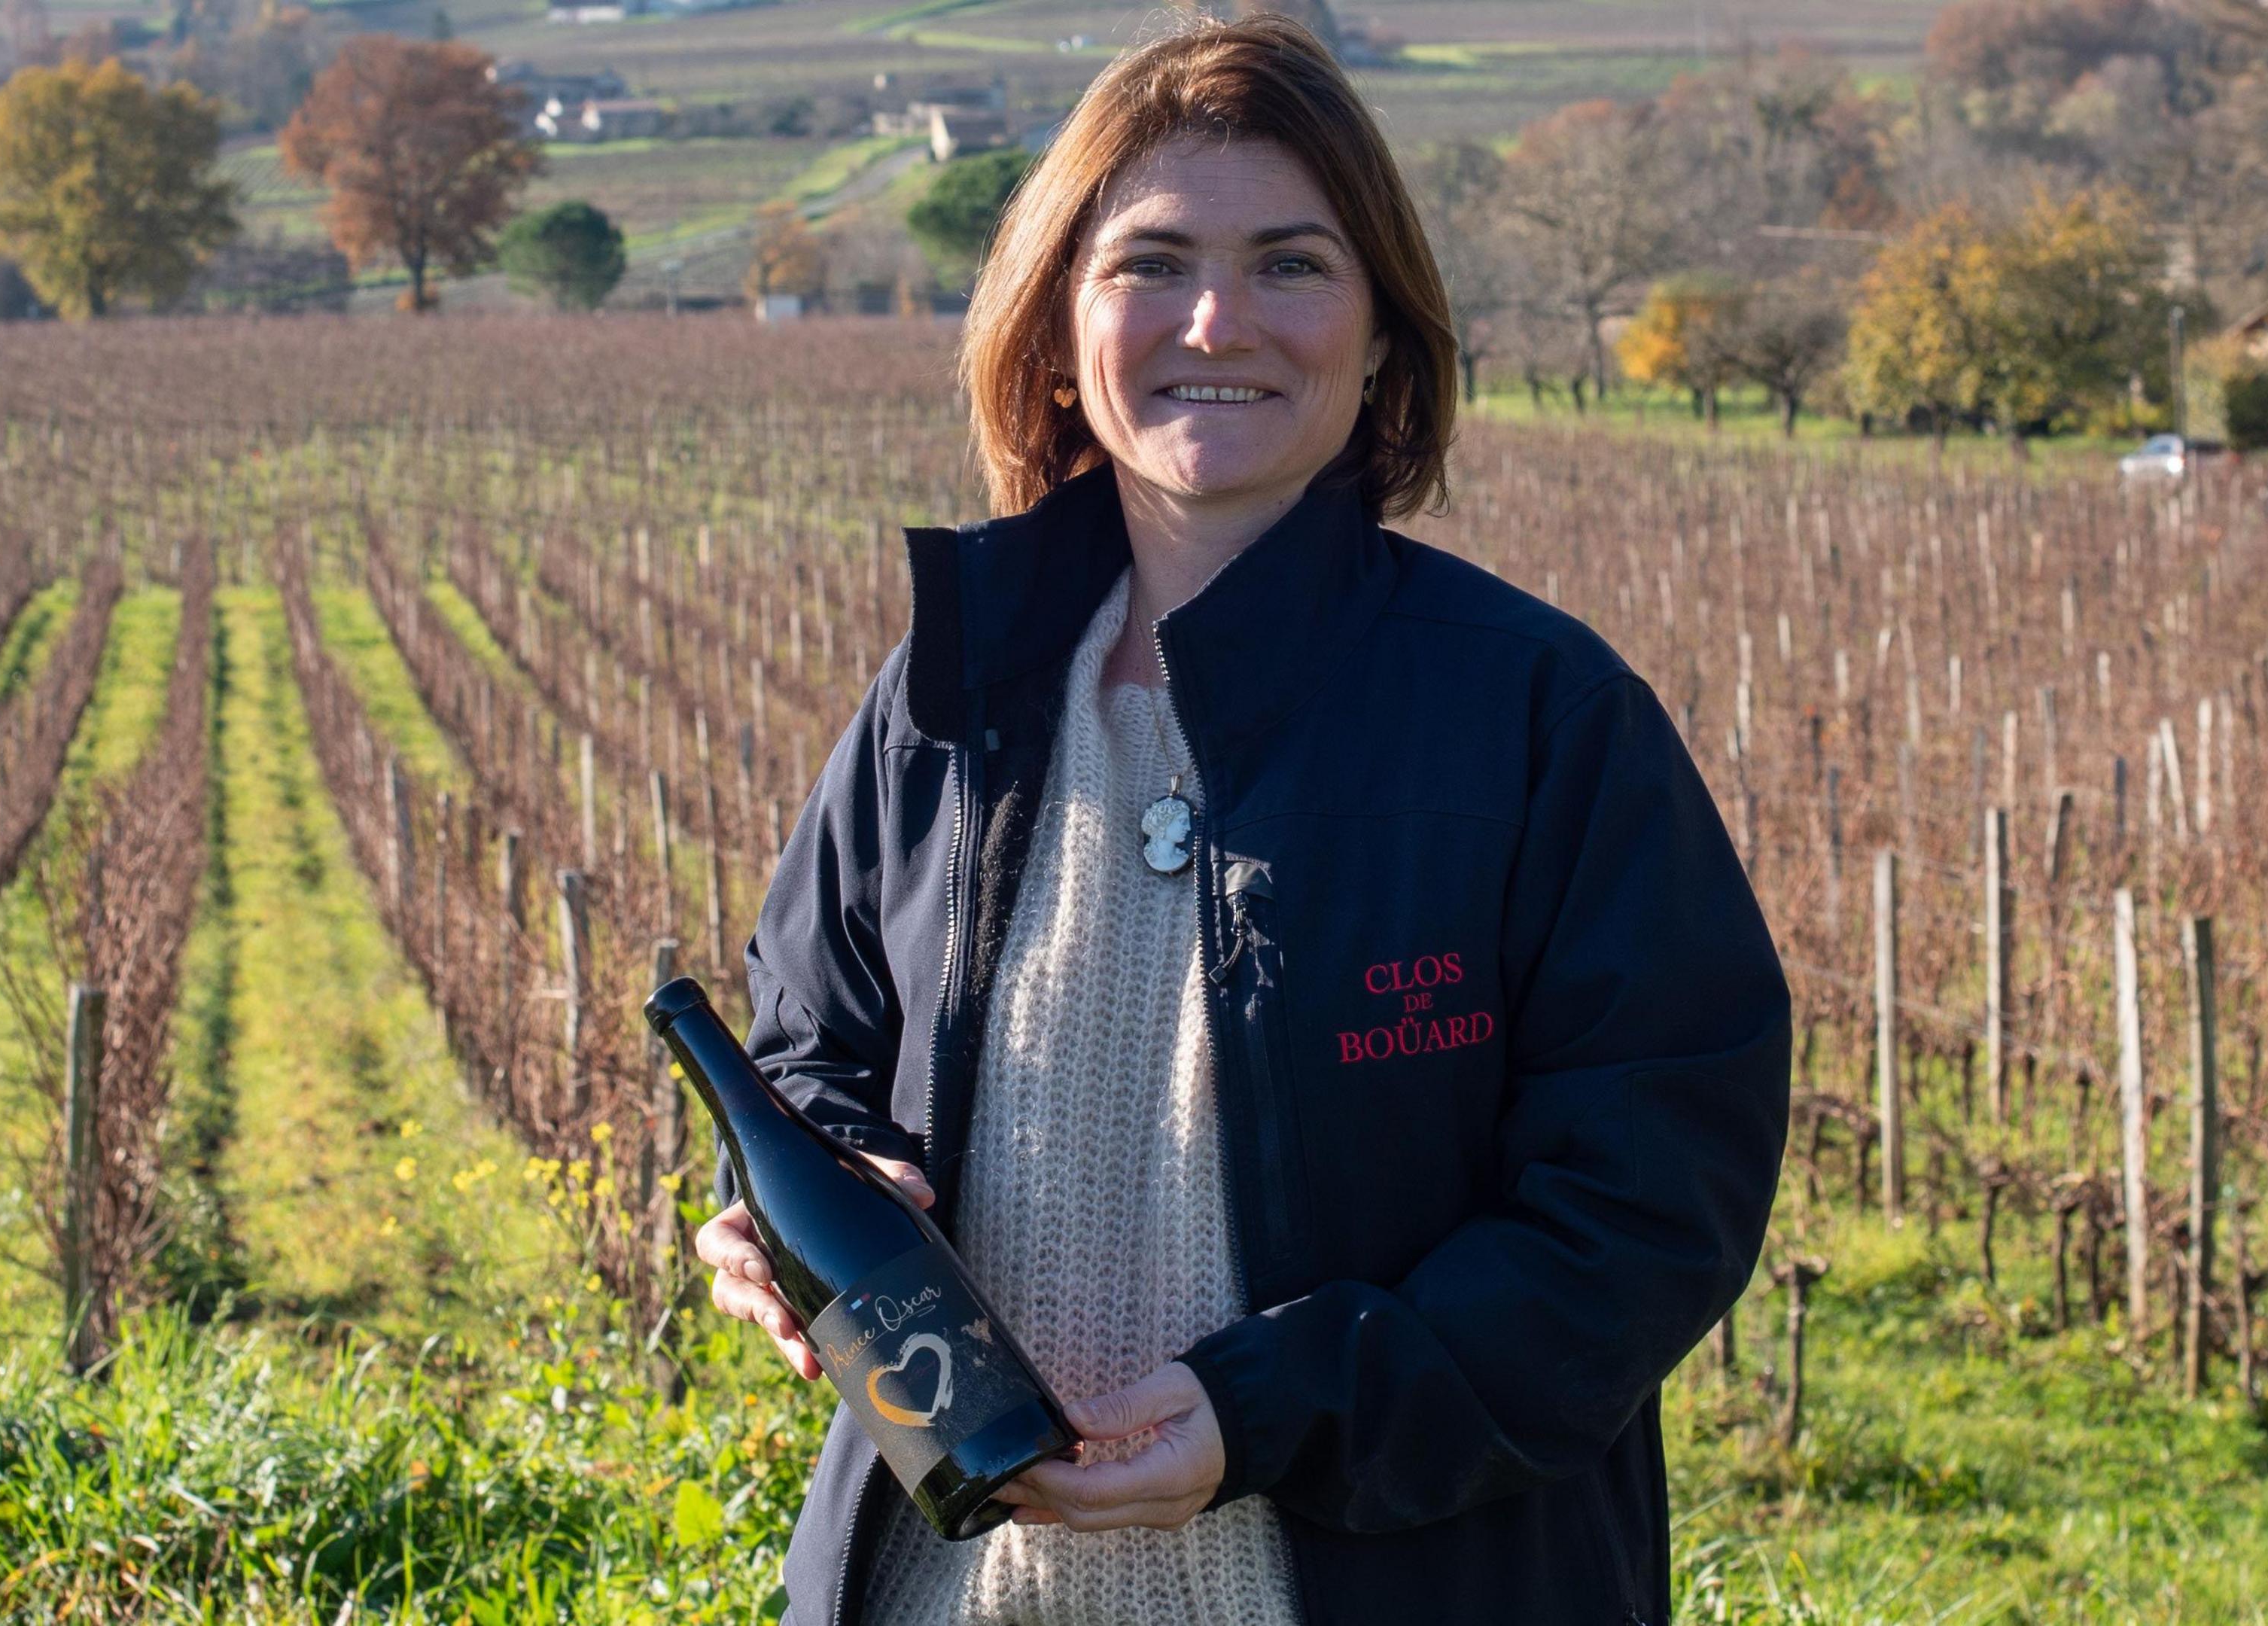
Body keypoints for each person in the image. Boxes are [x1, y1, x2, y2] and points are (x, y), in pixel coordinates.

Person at [693, 14, 1791, 1624]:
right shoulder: (947, 699)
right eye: (1150, 262)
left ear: (1382, 338)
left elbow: (1649, 1208)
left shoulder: (1538, 718)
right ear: (1059, 330)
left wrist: (1274, 1410)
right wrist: (801, 1221)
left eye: (1291, 262)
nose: (1218, 318)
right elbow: (808, 1065)